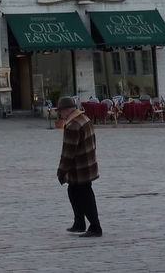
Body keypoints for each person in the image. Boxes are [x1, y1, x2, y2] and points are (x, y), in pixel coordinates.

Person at [55, 96, 101, 238]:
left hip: (79, 167)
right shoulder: (84, 119)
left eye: (61, 112)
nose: (60, 115)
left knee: (84, 196)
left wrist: (61, 172)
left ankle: (95, 227)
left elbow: (68, 152)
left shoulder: (72, 125)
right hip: (88, 163)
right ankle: (79, 222)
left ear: (67, 111)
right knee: (74, 192)